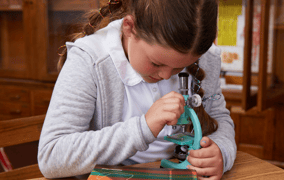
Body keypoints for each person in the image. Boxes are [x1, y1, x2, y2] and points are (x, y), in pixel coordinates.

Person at [38, 0, 236, 179]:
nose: (167, 76)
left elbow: (219, 118)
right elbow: (52, 156)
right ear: (129, 27)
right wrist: (143, 128)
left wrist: (221, 151)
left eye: (179, 68)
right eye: (156, 63)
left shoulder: (206, 57)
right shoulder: (90, 60)